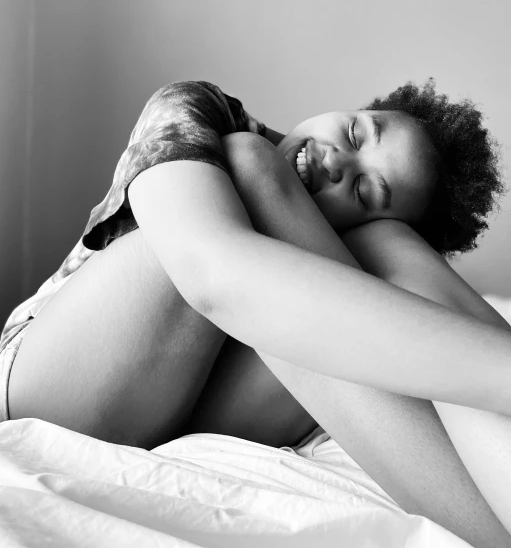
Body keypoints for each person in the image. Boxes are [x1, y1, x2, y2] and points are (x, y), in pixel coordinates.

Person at [1, 79, 510, 547]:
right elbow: (213, 273)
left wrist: (393, 254)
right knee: (247, 160)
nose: (337, 162)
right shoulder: (201, 110)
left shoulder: (363, 243)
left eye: (363, 192)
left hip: (196, 400)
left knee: (391, 245)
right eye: (356, 132)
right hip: (51, 374)